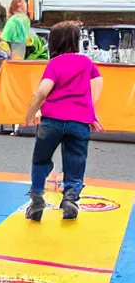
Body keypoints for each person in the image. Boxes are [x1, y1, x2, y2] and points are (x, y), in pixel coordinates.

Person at [24, 21, 104, 221]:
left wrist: (31, 111)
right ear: (76, 42)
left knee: (40, 159)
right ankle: (70, 199)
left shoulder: (54, 64)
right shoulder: (86, 63)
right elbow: (98, 82)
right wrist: (89, 110)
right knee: (75, 161)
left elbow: (43, 90)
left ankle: (36, 200)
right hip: (79, 123)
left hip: (52, 121)